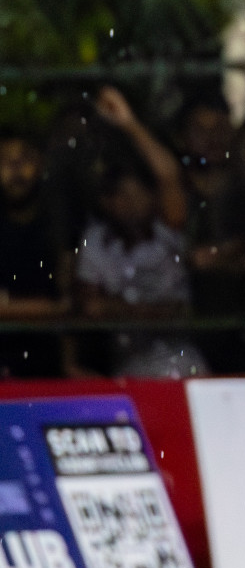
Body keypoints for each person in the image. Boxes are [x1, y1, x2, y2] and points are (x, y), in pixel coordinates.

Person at [74, 87, 207, 378]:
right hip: (128, 364)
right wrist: (154, 313)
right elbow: (91, 307)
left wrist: (129, 123)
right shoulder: (96, 242)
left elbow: (168, 176)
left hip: (183, 360)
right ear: (106, 202)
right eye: (121, 197)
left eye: (137, 196)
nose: (130, 205)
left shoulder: (168, 229)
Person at [0, 131, 69, 377]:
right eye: (6, 160)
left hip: (48, 365)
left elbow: (69, 302)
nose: (16, 170)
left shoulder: (59, 227)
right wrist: (45, 309)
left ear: (40, 165)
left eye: (25, 159)